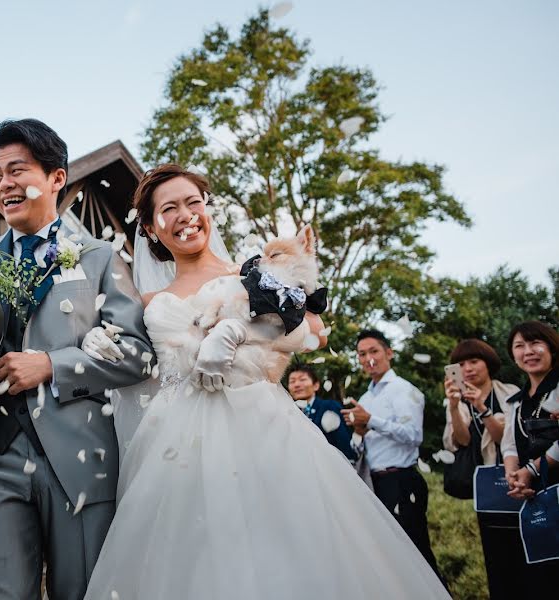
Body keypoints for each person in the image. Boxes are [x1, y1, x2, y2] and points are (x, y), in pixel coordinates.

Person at [82, 164, 449, 599]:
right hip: (176, 445)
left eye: (193, 203)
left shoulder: (254, 273)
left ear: (207, 210)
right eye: (169, 209)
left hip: (263, 425)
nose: (186, 215)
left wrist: (238, 332)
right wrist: (99, 342)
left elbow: (314, 331)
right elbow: (136, 363)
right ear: (149, 226)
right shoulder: (145, 302)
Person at [0, 118, 152, 600]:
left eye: (17, 169)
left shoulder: (99, 258)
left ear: (56, 178)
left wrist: (52, 365)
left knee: (82, 591)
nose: (4, 183)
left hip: (81, 460)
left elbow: (137, 353)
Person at [341, 329, 442, 579]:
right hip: (374, 482)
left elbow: (413, 435)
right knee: (390, 558)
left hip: (401, 480)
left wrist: (372, 420)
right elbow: (365, 444)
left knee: (416, 554)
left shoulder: (404, 390)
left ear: (389, 353)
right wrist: (360, 431)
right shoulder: (365, 397)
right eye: (361, 354)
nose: (368, 359)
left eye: (373, 351)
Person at [442, 338, 519, 598]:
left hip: (516, 479)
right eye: (461, 364)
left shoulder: (509, 393)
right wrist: (454, 406)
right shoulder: (458, 399)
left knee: (521, 551)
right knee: (494, 553)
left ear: (488, 363)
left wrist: (482, 408)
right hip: (486, 485)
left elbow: (504, 439)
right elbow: (461, 440)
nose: (468, 369)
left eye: (474, 361)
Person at [495, 321, 559, 592]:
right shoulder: (517, 401)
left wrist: (530, 471)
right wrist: (514, 476)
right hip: (535, 497)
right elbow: (509, 444)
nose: (528, 351)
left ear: (551, 348)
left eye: (535, 343)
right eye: (519, 346)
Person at [286, 365, 356, 461]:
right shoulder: (288, 414)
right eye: (292, 381)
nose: (297, 384)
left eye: (302, 380)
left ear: (316, 385)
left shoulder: (329, 406)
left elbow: (342, 440)